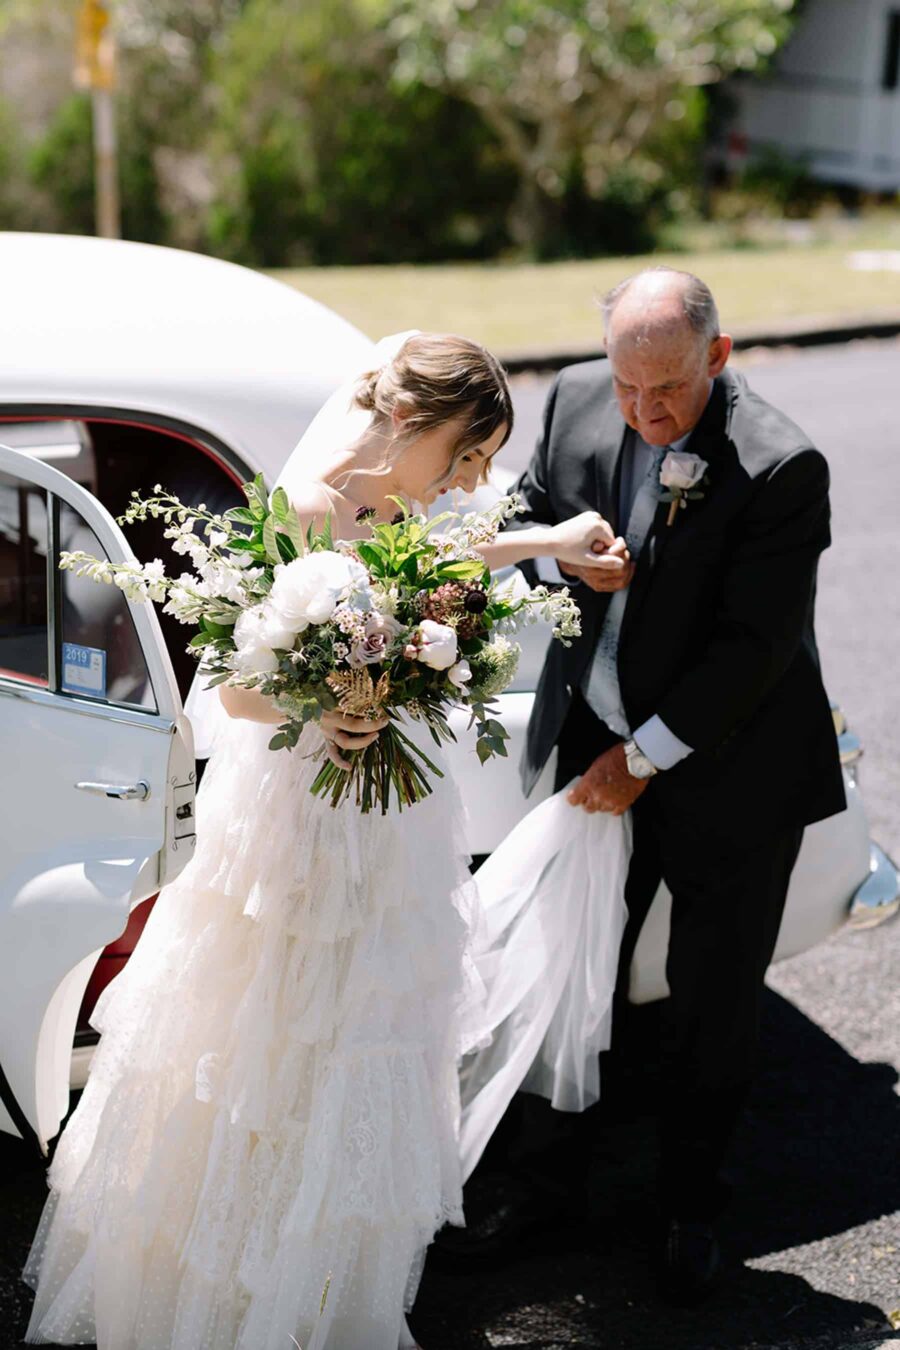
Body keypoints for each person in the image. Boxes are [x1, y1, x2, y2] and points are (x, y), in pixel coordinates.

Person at [21, 332, 618, 1350]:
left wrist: (544, 544)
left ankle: (320, 1290)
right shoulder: (299, 507)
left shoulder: (409, 507)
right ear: (415, 424)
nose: (471, 483)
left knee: (359, 1045)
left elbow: (447, 555)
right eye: (466, 457)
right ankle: (225, 1293)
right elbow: (237, 687)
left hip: (389, 828)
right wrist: (331, 714)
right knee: (258, 1048)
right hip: (293, 824)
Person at [446, 268, 846, 1304]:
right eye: (628, 388)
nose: (643, 412)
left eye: (666, 390)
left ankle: (688, 1208)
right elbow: (535, 513)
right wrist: (563, 566)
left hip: (732, 770)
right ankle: (543, 1189)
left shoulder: (783, 464)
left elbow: (752, 648)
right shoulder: (578, 396)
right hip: (595, 739)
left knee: (714, 1004)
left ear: (718, 356)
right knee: (565, 963)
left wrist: (643, 759)